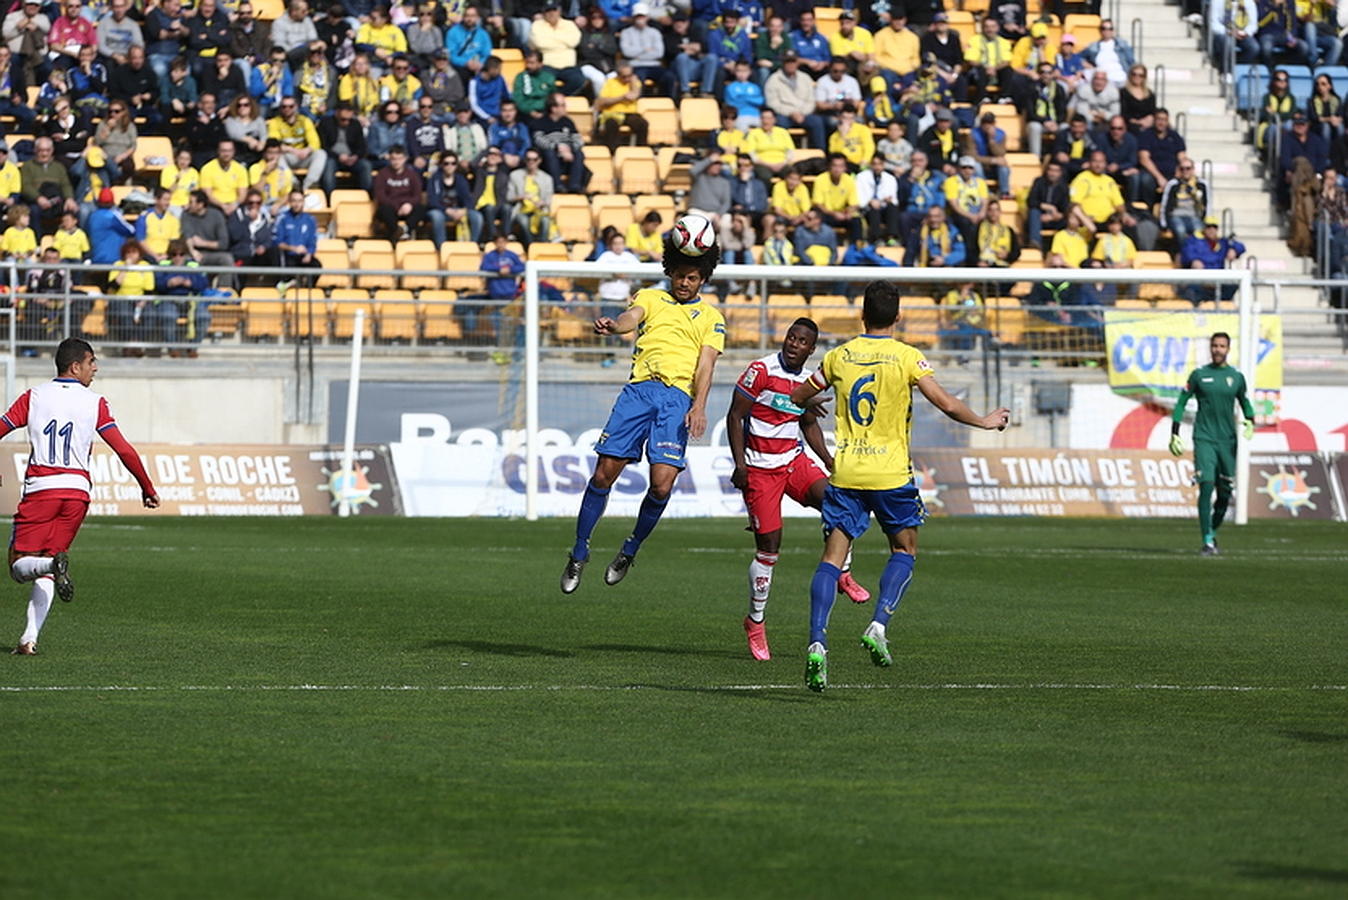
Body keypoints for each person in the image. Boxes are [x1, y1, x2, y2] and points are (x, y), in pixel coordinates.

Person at [788, 281, 1009, 691]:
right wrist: (984, 420)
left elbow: (799, 394)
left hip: (848, 472)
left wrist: (808, 399)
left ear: (862, 315)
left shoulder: (839, 356)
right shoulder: (908, 357)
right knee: (904, 549)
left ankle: (817, 642)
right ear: (898, 316)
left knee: (831, 560)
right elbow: (943, 402)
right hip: (890, 474)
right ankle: (878, 624)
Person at [560, 234, 725, 594]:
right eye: (680, 275)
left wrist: (699, 406)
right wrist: (612, 325)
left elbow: (706, 365)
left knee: (663, 483)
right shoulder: (651, 297)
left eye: (692, 278)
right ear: (670, 272)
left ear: (702, 280)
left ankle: (630, 548)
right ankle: (579, 550)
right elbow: (629, 318)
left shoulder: (712, 317)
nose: (684, 283)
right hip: (639, 391)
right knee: (604, 475)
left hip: (677, 399)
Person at [0, 337, 159, 655]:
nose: (95, 368)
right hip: (77, 494)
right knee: (48, 560)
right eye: (91, 362)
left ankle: (49, 568)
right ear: (75, 366)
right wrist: (147, 486)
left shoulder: (34, 396)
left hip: (42, 490)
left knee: (19, 566)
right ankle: (28, 640)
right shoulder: (95, 402)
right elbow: (123, 448)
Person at [726, 319, 871, 660]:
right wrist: (741, 466)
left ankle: (843, 572)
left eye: (802, 340)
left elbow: (808, 425)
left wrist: (830, 461)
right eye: (791, 337)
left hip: (793, 463)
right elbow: (735, 416)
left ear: (811, 349)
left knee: (839, 501)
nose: (794, 343)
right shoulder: (761, 370)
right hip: (761, 469)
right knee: (770, 547)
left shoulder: (807, 383)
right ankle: (755, 622)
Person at [1169, 332, 1255, 556]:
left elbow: (1244, 401)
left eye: (1222, 346)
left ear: (1228, 349)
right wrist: (1175, 433)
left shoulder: (1236, 377)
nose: (1218, 349)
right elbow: (1181, 402)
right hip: (1204, 438)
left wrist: (1250, 420)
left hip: (1227, 441)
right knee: (1206, 484)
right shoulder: (1199, 375)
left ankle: (1212, 531)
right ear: (1210, 348)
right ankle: (1207, 540)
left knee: (1225, 493)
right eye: (1215, 345)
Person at [1179, 217, 1246, 303]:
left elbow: (1240, 246)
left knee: (1232, 285)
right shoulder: (1193, 240)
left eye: (1214, 227)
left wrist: (1234, 250)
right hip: (1200, 279)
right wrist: (1193, 260)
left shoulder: (1222, 242)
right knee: (1193, 289)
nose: (1211, 230)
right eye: (1208, 227)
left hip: (1217, 280)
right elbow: (1187, 253)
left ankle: (1222, 306)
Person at [372, 144, 425, 242]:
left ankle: (406, 231)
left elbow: (417, 195)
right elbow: (381, 196)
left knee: (420, 208)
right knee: (384, 210)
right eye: (393, 159)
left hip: (408, 207)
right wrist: (397, 207)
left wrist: (408, 205)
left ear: (405, 159)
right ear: (389, 159)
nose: (396, 162)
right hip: (391, 207)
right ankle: (396, 232)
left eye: (399, 159)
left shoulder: (412, 175)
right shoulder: (382, 174)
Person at [1027, 159, 1070, 249]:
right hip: (1039, 217)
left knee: (1069, 219)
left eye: (1056, 171)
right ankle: (1035, 243)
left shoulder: (1064, 187)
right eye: (1050, 170)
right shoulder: (1039, 182)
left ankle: (1061, 248)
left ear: (1060, 173)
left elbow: (1065, 208)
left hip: (1056, 219)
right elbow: (1031, 201)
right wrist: (1048, 207)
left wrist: (1053, 216)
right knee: (1034, 212)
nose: (1052, 173)